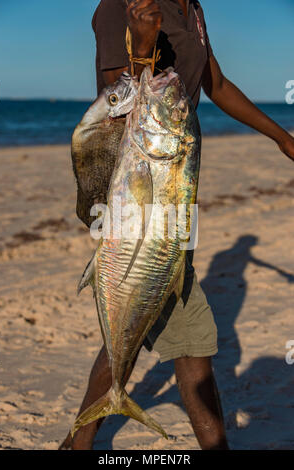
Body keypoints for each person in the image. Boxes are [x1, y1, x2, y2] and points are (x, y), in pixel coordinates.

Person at [59, 0, 294, 450]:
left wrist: (281, 137)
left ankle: (79, 442)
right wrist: (144, 49)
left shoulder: (192, 9)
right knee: (174, 326)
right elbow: (117, 96)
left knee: (156, 321)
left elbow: (216, 84)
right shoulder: (125, 6)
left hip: (174, 188)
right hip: (137, 195)